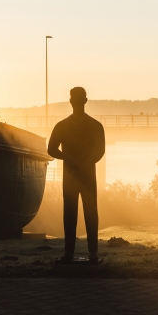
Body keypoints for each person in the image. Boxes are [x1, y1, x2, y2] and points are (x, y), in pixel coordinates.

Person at [48, 87, 105, 263]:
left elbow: (100, 150)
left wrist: (72, 162)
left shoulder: (71, 125)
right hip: (78, 175)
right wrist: (79, 164)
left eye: (79, 99)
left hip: (75, 175)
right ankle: (75, 252)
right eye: (77, 99)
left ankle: (86, 252)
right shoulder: (92, 125)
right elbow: (50, 149)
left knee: (87, 213)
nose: (78, 102)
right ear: (73, 102)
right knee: (74, 213)